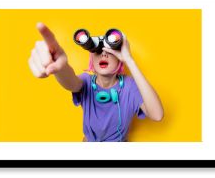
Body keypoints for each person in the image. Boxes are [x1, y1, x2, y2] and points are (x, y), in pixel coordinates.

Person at [28, 22, 164, 142]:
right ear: (91, 59)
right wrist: (60, 67)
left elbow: (157, 115)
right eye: (97, 51)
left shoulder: (129, 86)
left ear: (119, 58)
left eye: (110, 51)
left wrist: (129, 59)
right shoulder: (86, 81)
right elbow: (71, 81)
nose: (103, 54)